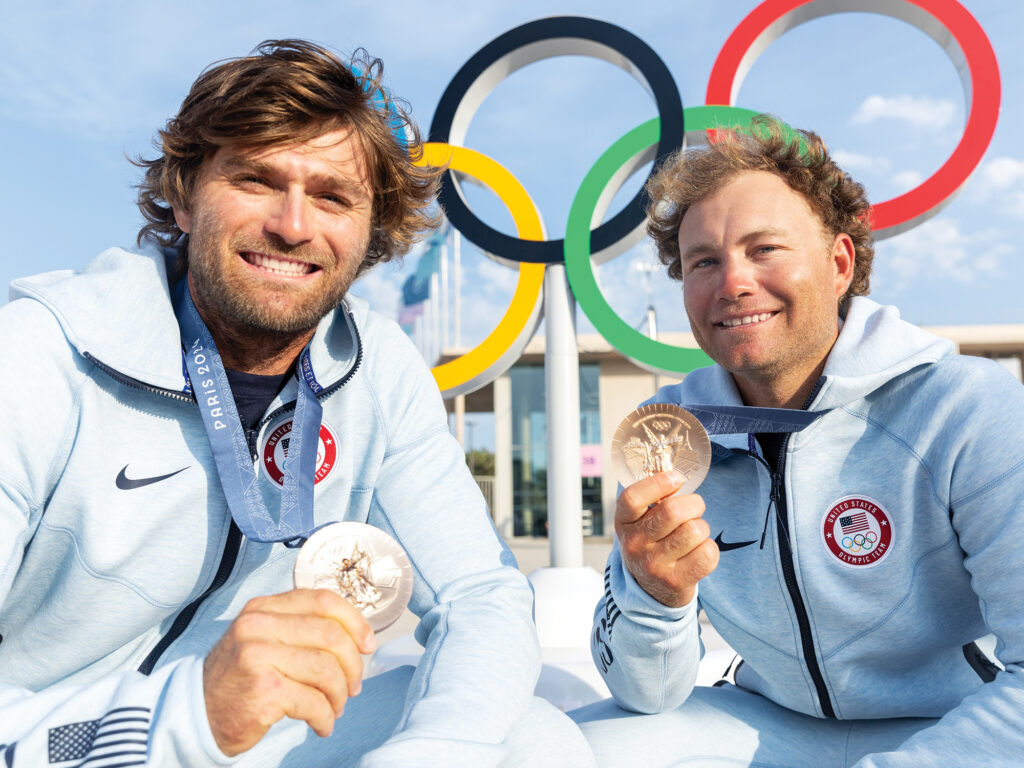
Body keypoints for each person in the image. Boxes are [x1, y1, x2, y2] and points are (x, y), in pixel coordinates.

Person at [0, 40, 592, 767]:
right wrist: (183, 719)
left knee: (536, 741)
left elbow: (482, 596)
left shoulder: (377, 370)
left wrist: (437, 750)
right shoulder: (37, 354)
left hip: (247, 739)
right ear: (184, 196)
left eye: (332, 196)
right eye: (256, 180)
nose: (293, 224)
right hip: (53, 743)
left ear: (371, 230)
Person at [572, 116, 1024, 766]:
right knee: (573, 748)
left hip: (948, 728)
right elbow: (645, 696)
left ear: (840, 264)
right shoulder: (667, 436)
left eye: (764, 249)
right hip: (768, 725)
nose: (732, 282)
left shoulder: (965, 407)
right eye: (704, 261)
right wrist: (653, 596)